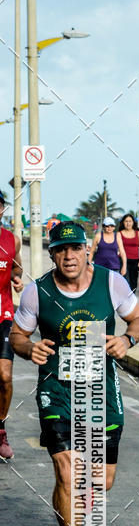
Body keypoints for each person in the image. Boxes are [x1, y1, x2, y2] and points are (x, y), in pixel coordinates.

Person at [10, 221, 139, 526]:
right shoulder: (36, 292)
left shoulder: (111, 282)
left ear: (87, 249)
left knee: (101, 480)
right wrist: (29, 348)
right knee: (68, 471)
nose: (69, 256)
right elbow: (18, 336)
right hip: (57, 390)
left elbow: (138, 320)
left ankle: (83, 515)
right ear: (52, 253)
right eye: (61, 250)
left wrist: (128, 340)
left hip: (101, 390)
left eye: (75, 249)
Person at [0, 191, 24, 460]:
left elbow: (16, 269)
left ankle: (1, 429)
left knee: (5, 378)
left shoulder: (12, 239)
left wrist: (16, 279)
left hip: (3, 314)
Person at [117, 213, 139, 291]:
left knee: (133, 284)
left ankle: (131, 300)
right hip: (123, 260)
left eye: (130, 221)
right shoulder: (119, 234)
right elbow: (121, 250)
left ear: (133, 222)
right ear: (123, 222)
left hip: (135, 261)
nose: (128, 223)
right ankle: (126, 301)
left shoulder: (138, 233)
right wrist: (124, 266)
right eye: (126, 221)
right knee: (125, 282)